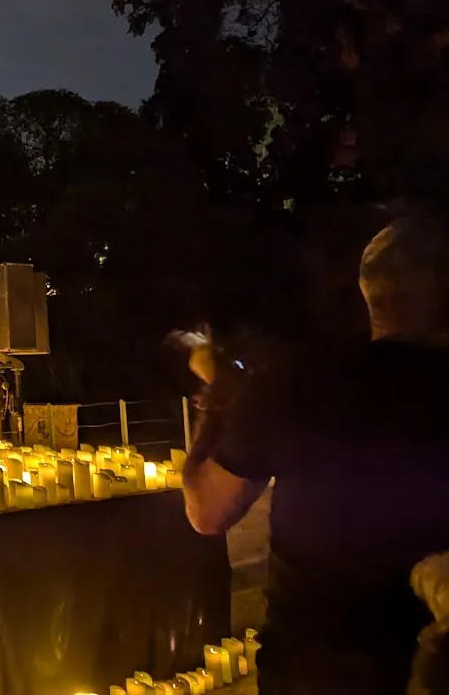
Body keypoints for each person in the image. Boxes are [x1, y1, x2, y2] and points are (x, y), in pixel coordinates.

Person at [181, 212, 449, 694]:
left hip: (311, 669)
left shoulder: (296, 384)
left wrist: (218, 401)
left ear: (368, 293)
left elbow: (207, 511)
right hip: (430, 665)